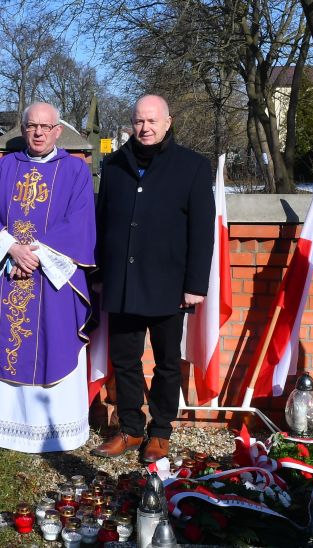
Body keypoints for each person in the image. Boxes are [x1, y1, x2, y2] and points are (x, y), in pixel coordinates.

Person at [91, 95, 215, 463]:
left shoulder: (192, 166)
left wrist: (196, 285)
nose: (145, 128)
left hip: (169, 284)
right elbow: (102, 222)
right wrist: (99, 273)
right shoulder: (114, 165)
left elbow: (202, 230)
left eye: (152, 121)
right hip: (122, 281)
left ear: (168, 122)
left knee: (166, 364)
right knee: (125, 361)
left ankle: (160, 431)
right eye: (139, 121)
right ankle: (129, 428)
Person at [0, 102, 95, 453]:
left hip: (52, 278)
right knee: (9, 343)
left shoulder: (75, 171)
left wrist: (35, 254)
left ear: (59, 131)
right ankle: (8, 430)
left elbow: (80, 224)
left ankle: (59, 432)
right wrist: (12, 249)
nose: (39, 132)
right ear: (23, 129)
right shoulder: (2, 169)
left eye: (46, 126)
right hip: (11, 272)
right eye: (32, 126)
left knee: (53, 341)